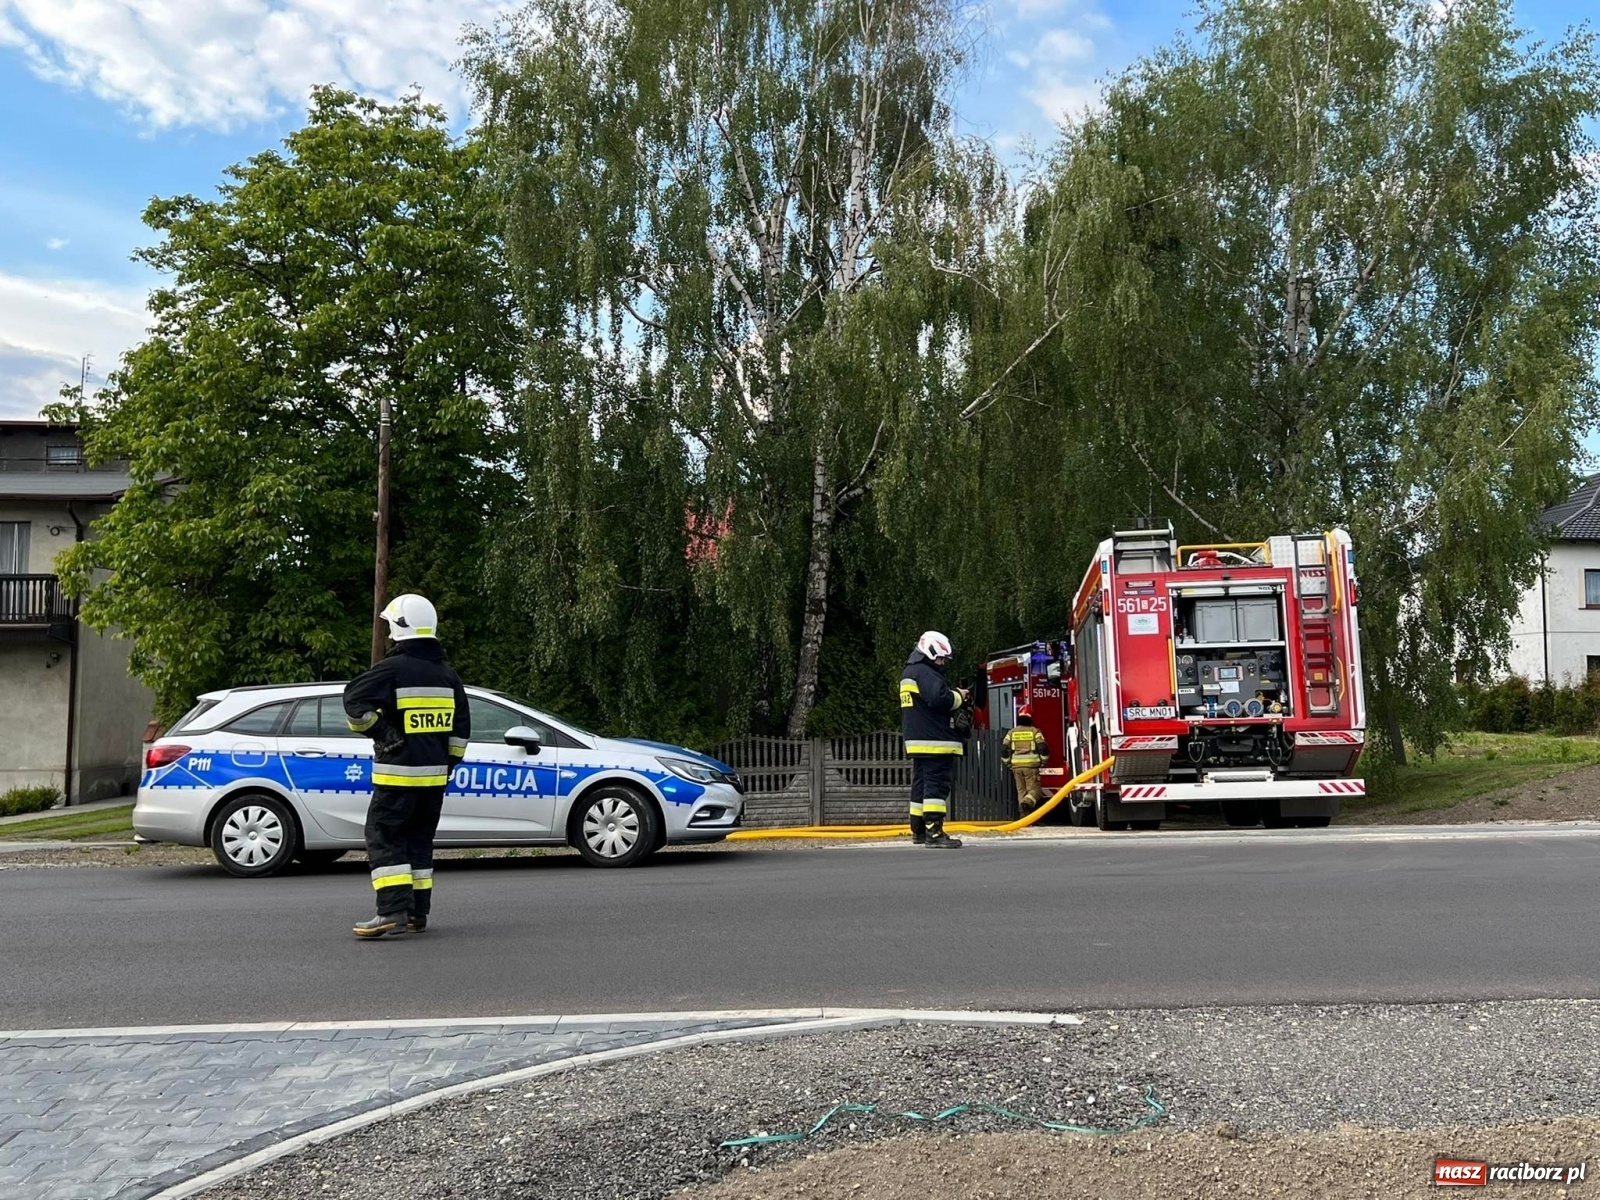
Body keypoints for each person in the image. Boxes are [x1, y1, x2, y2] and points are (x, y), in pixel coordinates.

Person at [342, 594, 470, 939]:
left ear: (400, 627)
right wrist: (446, 764)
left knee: (385, 837)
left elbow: (353, 701)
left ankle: (391, 912)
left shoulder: (392, 669)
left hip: (396, 778)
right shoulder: (447, 675)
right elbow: (461, 731)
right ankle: (416, 913)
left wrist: (382, 733)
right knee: (419, 842)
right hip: (433, 782)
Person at [899, 630, 966, 849]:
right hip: (935, 741)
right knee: (936, 787)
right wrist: (959, 696)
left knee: (921, 785)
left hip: (918, 740)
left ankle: (918, 831)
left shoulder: (910, 672)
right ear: (929, 652)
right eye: (940, 658)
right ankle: (934, 833)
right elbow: (940, 699)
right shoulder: (925, 673)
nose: (943, 663)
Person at [1002, 706, 1048, 815]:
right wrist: (1044, 760)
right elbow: (1042, 747)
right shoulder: (1034, 731)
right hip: (1031, 767)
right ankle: (1026, 804)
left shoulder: (1011, 732)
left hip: (1016, 767)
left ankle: (1024, 817)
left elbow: (1003, 749)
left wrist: (1008, 763)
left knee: (1021, 792)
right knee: (1036, 791)